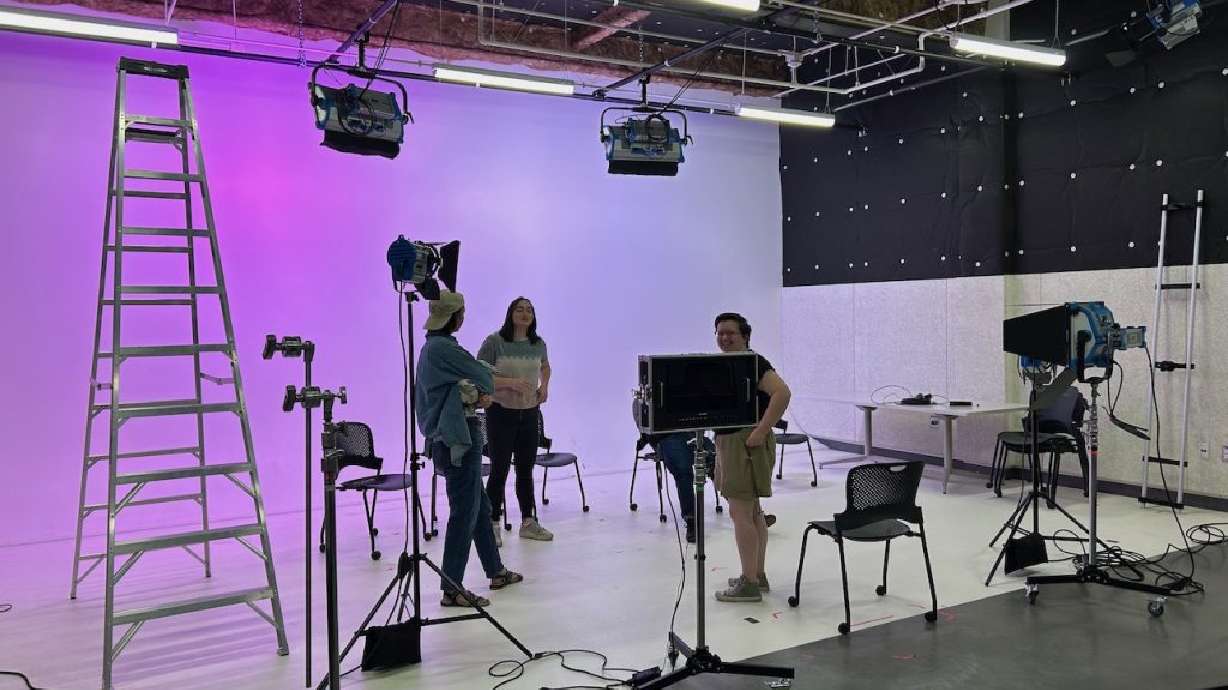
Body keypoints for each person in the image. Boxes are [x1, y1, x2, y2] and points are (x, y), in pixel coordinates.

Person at [416, 290, 523, 607]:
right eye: (462, 313)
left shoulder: (434, 349)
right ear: (454, 317)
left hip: (453, 436)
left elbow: (464, 380)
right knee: (465, 512)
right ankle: (452, 587)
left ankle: (496, 571)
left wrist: (471, 392)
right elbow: (480, 376)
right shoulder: (443, 350)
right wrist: (480, 391)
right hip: (457, 437)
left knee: (479, 507)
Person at [711, 312, 791, 603]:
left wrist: (760, 431)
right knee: (753, 512)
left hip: (743, 442)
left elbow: (782, 393)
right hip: (732, 440)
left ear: (745, 336)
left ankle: (749, 583)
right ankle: (756, 574)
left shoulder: (753, 363)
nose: (724, 337)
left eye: (730, 333)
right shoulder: (729, 363)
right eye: (720, 333)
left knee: (740, 513)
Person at [478, 297, 554, 542]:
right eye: (520, 309)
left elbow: (545, 366)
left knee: (525, 469)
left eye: (529, 310)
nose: (525, 313)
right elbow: (479, 374)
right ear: (510, 314)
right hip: (501, 412)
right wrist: (510, 383)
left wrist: (545, 387)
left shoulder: (537, 343)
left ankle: (528, 521)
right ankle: (492, 524)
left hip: (529, 413)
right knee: (499, 470)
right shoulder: (495, 342)